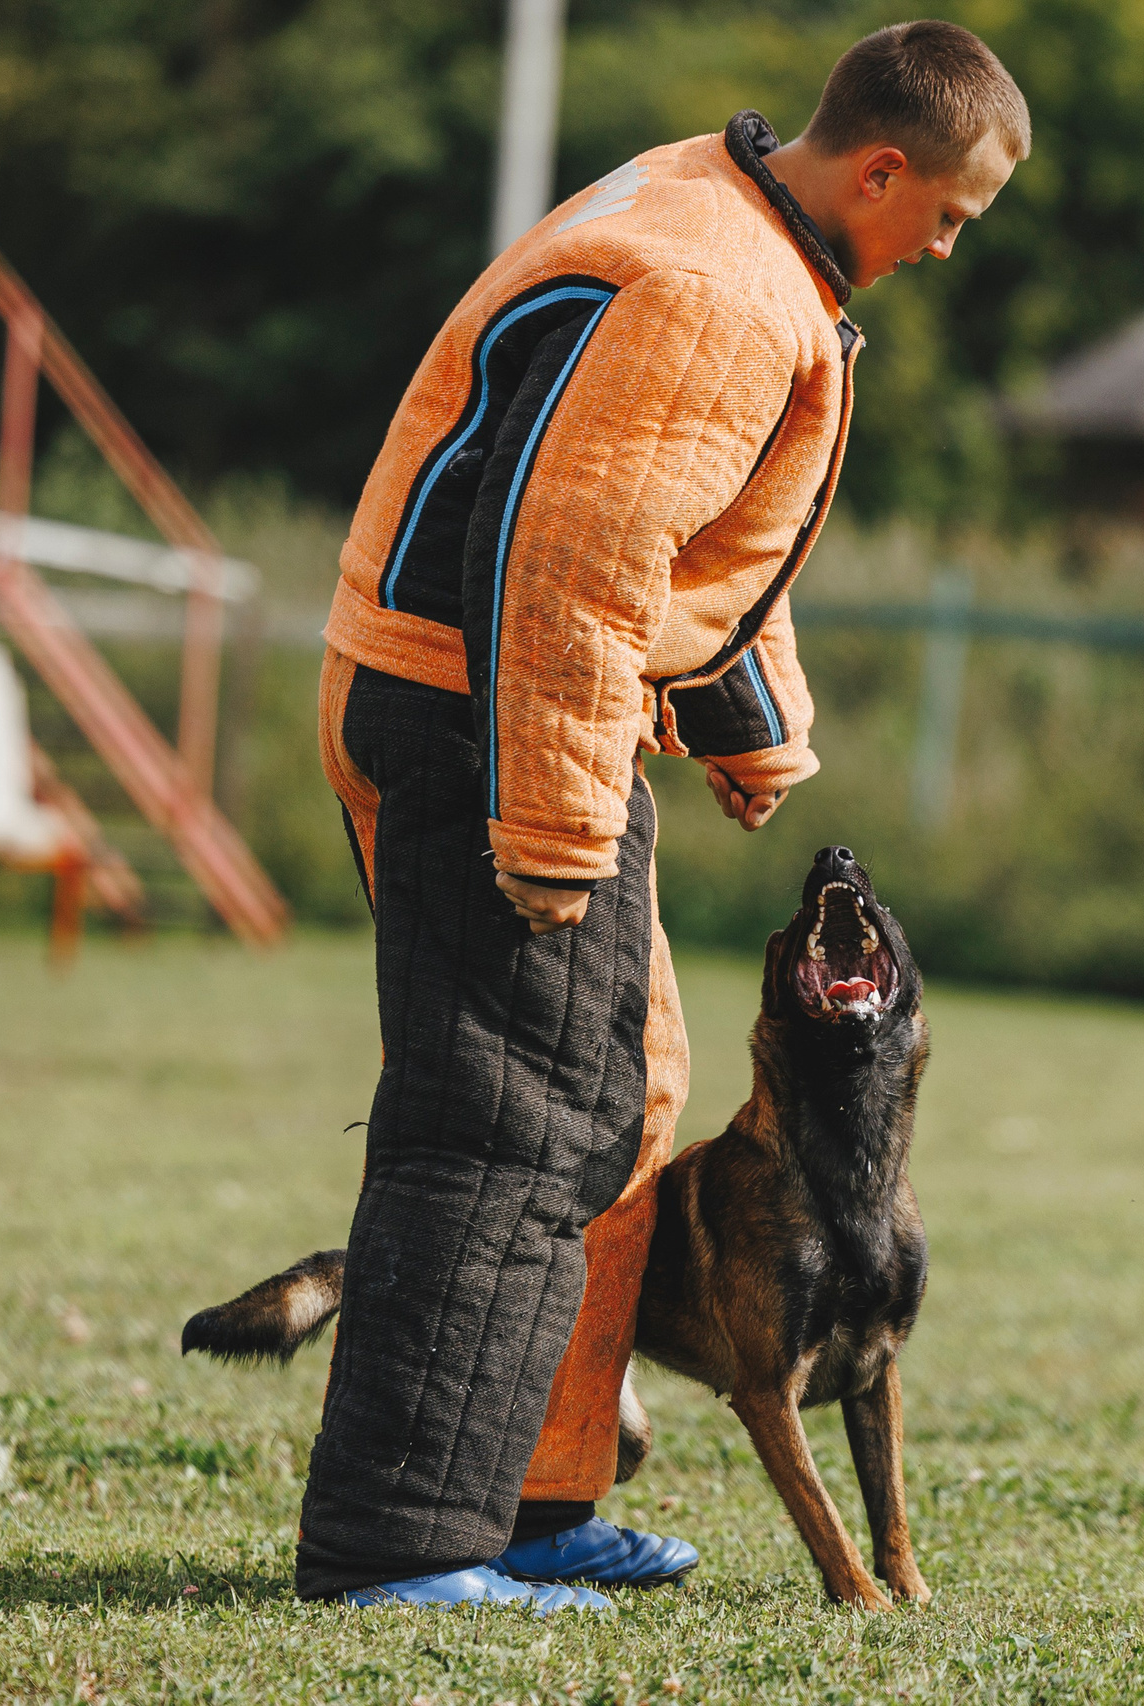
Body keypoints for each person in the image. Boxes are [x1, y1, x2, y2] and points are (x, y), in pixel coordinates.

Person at [302, 18, 1029, 1612]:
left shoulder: (734, 220)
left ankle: (540, 1494)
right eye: (953, 217)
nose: (947, 249)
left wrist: (752, 726)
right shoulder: (717, 288)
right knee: (509, 1116)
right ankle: (406, 1548)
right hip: (476, 712)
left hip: (507, 699)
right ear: (885, 169)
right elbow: (569, 560)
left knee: (619, 1090)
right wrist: (558, 818)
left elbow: (693, 538)